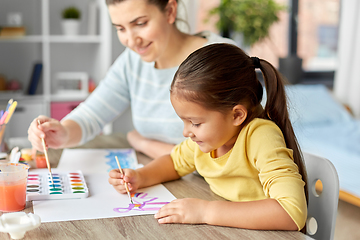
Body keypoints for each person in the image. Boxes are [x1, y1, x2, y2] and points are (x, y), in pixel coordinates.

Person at [108, 43, 308, 231]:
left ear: (237, 115)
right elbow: (174, 162)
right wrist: (140, 176)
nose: (186, 132)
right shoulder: (209, 140)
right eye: (184, 121)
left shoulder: (260, 136)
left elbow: (291, 212)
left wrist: (205, 211)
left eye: (195, 123)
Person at [27, 0, 235, 159]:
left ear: (170, 11)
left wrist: (144, 143)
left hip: (215, 191)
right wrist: (62, 132)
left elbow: (235, 154)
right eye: (120, 28)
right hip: (161, 176)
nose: (131, 40)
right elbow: (91, 114)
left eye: (141, 23)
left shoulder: (222, 59)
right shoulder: (132, 62)